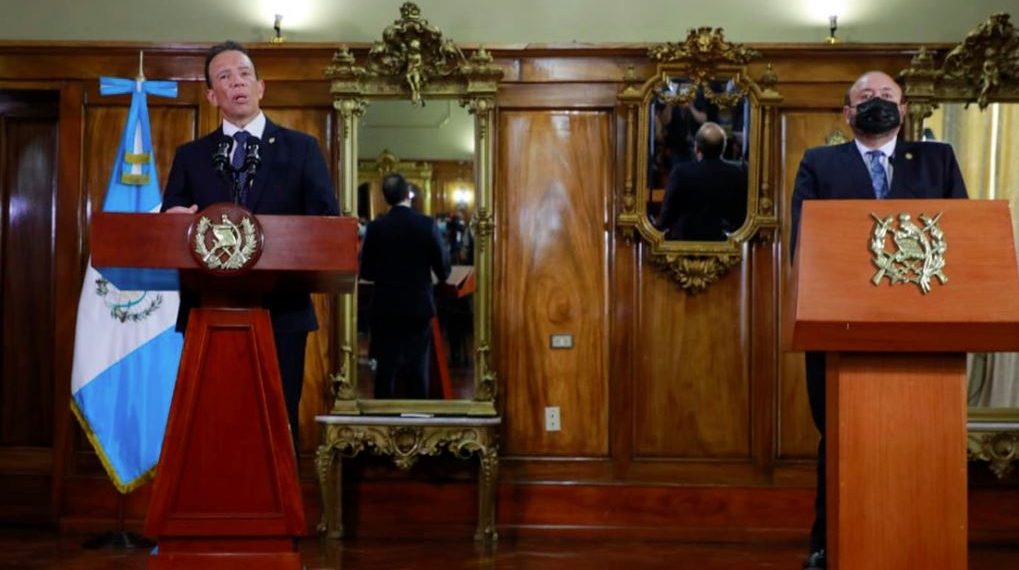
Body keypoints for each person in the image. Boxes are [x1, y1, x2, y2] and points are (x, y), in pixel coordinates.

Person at [790, 70, 967, 570]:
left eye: (887, 95)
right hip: (841, 324)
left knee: (923, 440)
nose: (877, 101)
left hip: (926, 328)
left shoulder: (938, 160)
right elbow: (806, 245)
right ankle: (829, 545)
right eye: (865, 96)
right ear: (847, 113)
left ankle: (928, 545)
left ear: (904, 109)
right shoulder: (819, 163)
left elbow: (963, 238)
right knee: (840, 439)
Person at [161, 41, 340, 448]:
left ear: (261, 87)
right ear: (212, 96)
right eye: (224, 77)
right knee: (213, 424)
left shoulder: (302, 148)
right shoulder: (191, 156)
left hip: (283, 312)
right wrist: (174, 222)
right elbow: (172, 221)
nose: (236, 83)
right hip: (208, 310)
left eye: (244, 74)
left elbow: (326, 223)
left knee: (276, 423)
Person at [359, 173, 451, 399]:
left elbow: (367, 271)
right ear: (408, 194)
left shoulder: (376, 228)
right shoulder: (427, 225)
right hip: (418, 307)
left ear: (385, 198)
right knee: (417, 370)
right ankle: (417, 416)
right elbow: (443, 270)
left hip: (385, 307)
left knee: (385, 370)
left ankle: (382, 417)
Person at [656, 122, 747, 241]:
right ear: (723, 148)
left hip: (684, 242)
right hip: (723, 243)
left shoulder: (681, 172)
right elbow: (741, 216)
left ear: (696, 147)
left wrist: (659, 227)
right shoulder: (736, 174)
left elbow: (667, 215)